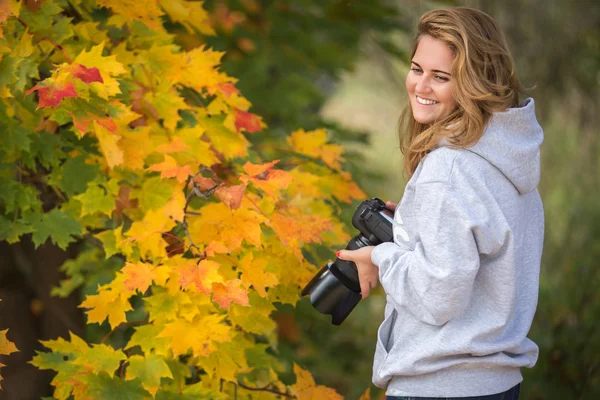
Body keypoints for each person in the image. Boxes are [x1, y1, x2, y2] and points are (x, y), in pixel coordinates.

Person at [336, 7, 544, 400]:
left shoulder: (448, 169)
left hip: (439, 385)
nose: (421, 86)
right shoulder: (510, 157)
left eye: (441, 77)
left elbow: (437, 297)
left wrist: (381, 256)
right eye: (417, 69)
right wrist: (413, 232)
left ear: (473, 83)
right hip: (498, 384)